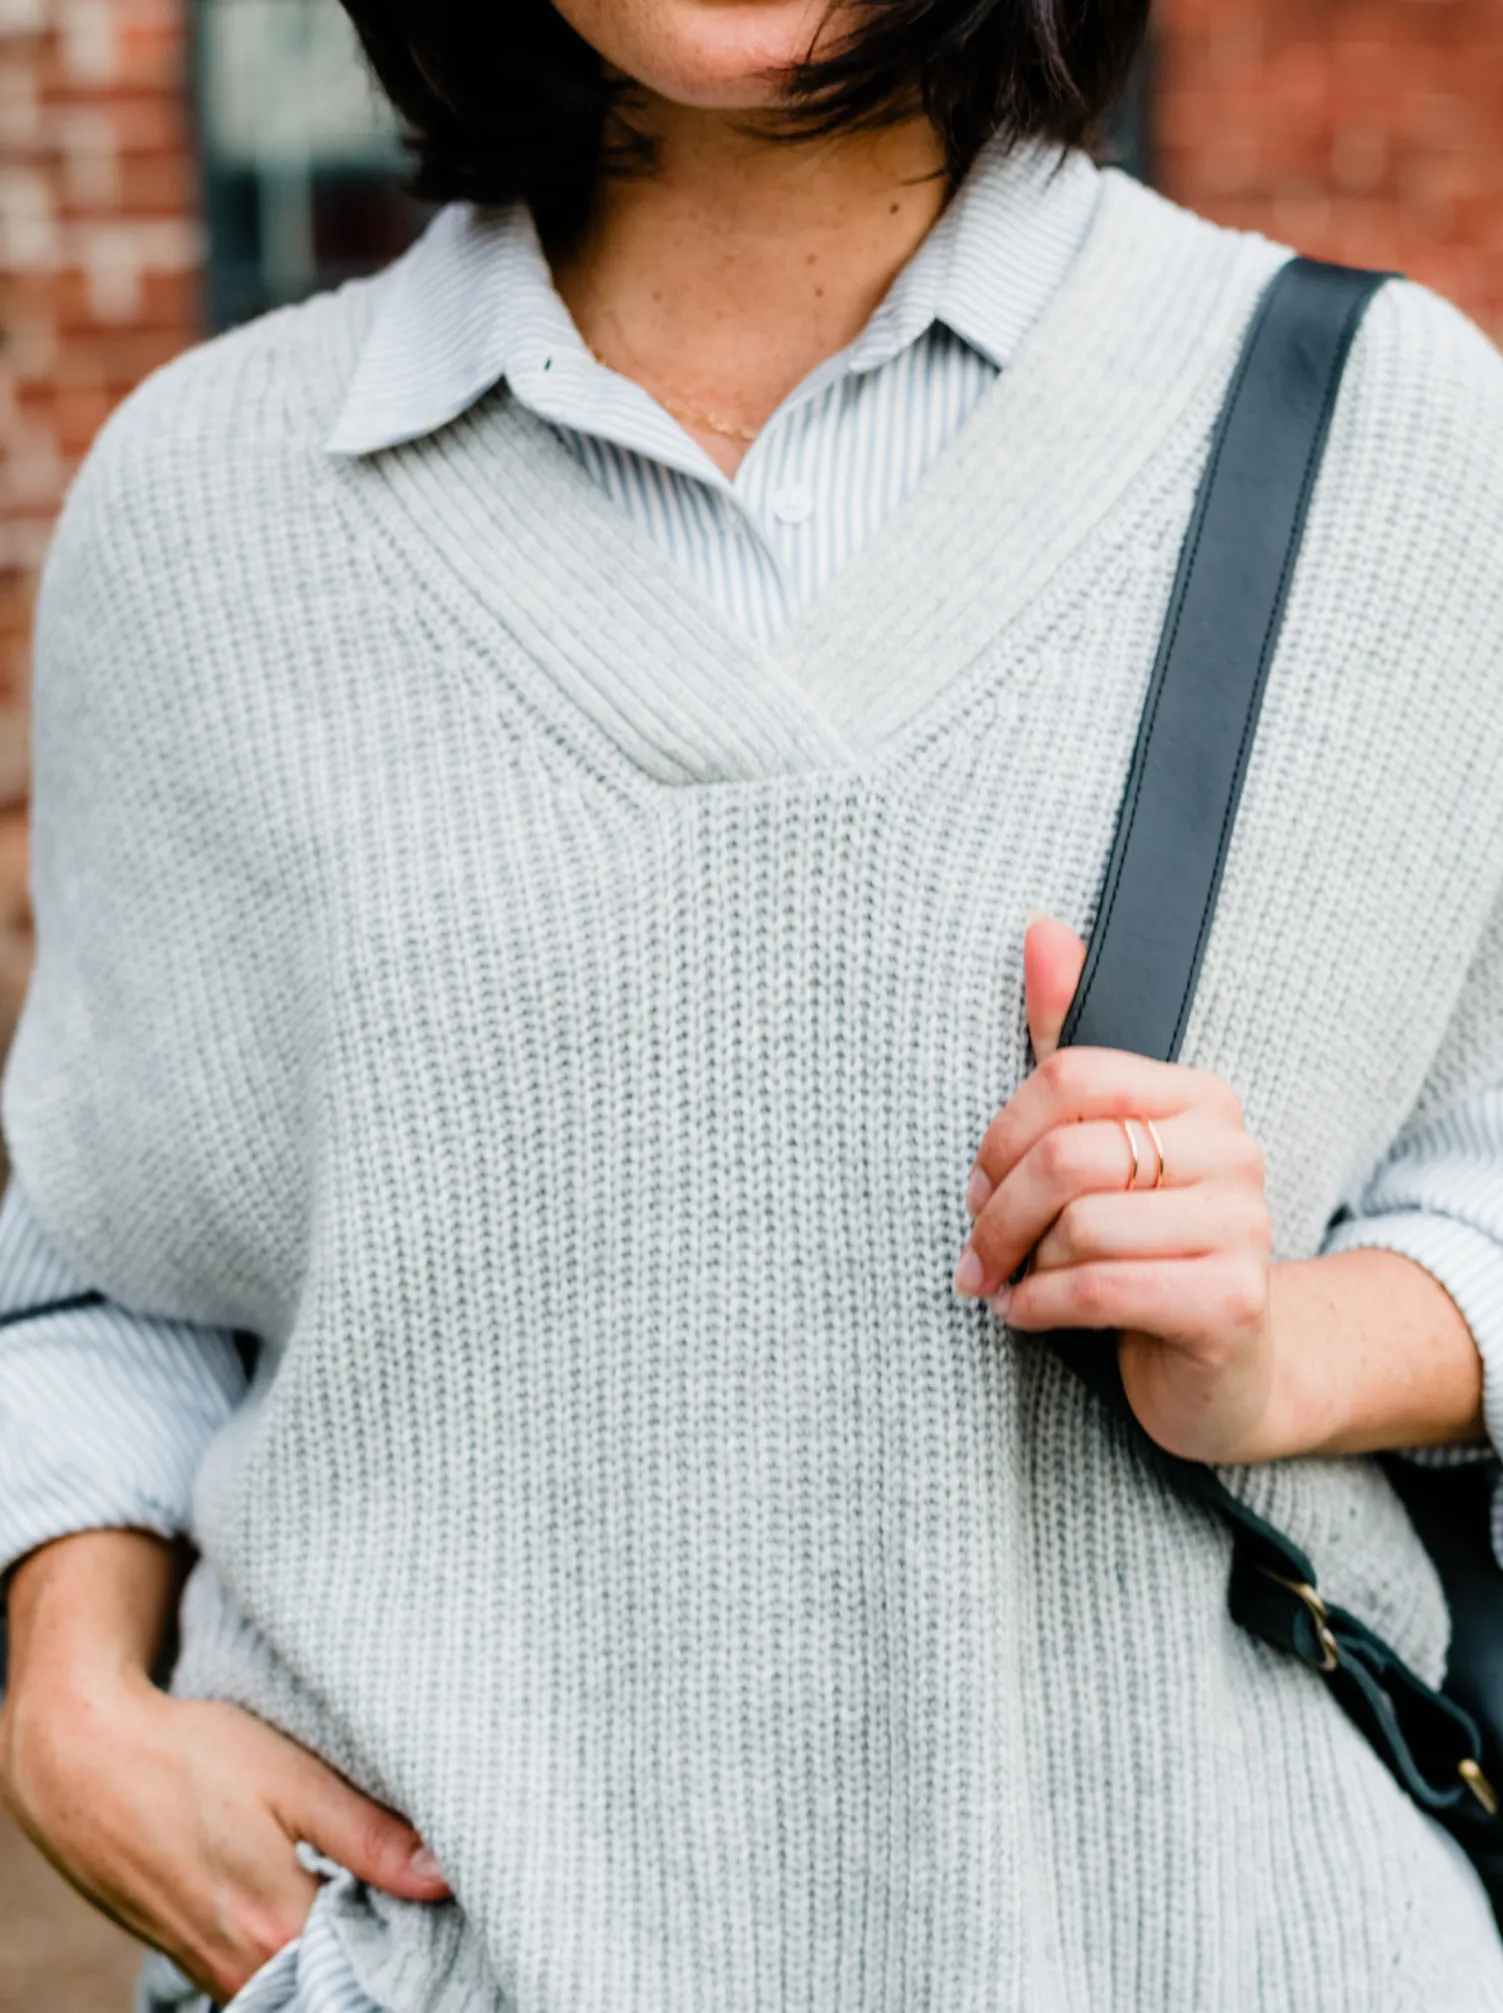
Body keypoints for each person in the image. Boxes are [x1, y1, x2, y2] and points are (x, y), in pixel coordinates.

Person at [2, 1, 1503, 2007]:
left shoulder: (1387, 437)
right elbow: (114, 1272)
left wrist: (1285, 1351)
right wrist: (68, 1690)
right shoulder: (205, 513)